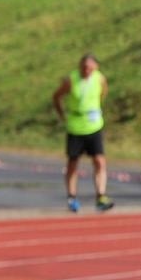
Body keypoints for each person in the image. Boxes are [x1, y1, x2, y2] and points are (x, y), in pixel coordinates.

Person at [52, 52, 114, 212]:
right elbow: (56, 96)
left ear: (95, 67)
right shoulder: (71, 80)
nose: (86, 70)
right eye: (84, 67)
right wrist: (63, 115)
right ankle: (72, 197)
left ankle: (101, 195)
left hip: (94, 125)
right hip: (75, 126)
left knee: (99, 161)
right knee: (73, 163)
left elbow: (103, 92)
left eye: (90, 68)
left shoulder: (100, 79)